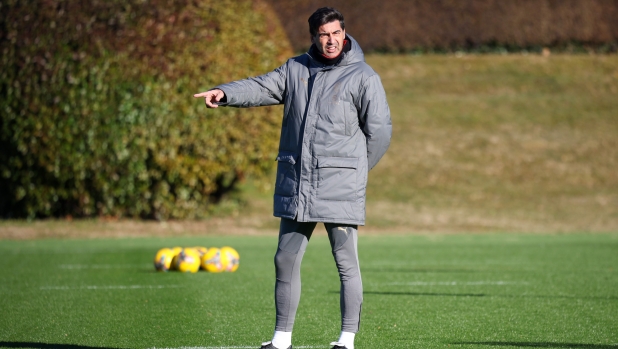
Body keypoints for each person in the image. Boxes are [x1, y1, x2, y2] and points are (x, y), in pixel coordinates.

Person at [194, 7, 391, 349]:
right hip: (297, 184)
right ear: (314, 36)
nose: (330, 41)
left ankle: (347, 340)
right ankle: (281, 339)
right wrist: (224, 93)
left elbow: (380, 132)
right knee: (284, 258)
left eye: (335, 33)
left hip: (339, 186)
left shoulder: (364, 76)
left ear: (344, 34)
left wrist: (353, 172)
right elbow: (259, 87)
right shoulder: (295, 68)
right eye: (323, 34)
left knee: (345, 263)